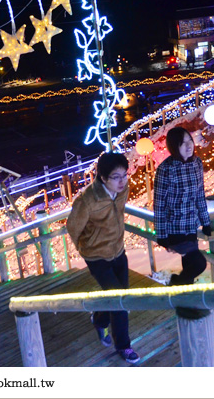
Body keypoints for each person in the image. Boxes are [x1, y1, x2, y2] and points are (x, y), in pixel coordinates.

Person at [66, 152, 140, 365]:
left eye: (124, 175)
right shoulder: (88, 199)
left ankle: (99, 319)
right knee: (120, 300)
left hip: (118, 251)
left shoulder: (123, 190)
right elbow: (73, 227)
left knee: (118, 294)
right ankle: (124, 346)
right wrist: (85, 248)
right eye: (116, 177)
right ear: (103, 178)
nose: (122, 180)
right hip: (96, 256)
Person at [154, 127, 213, 289]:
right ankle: (175, 283)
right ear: (174, 147)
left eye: (189, 141)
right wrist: (162, 234)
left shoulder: (197, 163)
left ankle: (183, 295)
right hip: (174, 228)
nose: (188, 146)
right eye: (182, 143)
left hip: (191, 226)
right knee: (199, 264)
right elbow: (159, 204)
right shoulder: (166, 169)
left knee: (189, 265)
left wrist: (205, 222)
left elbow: (200, 195)